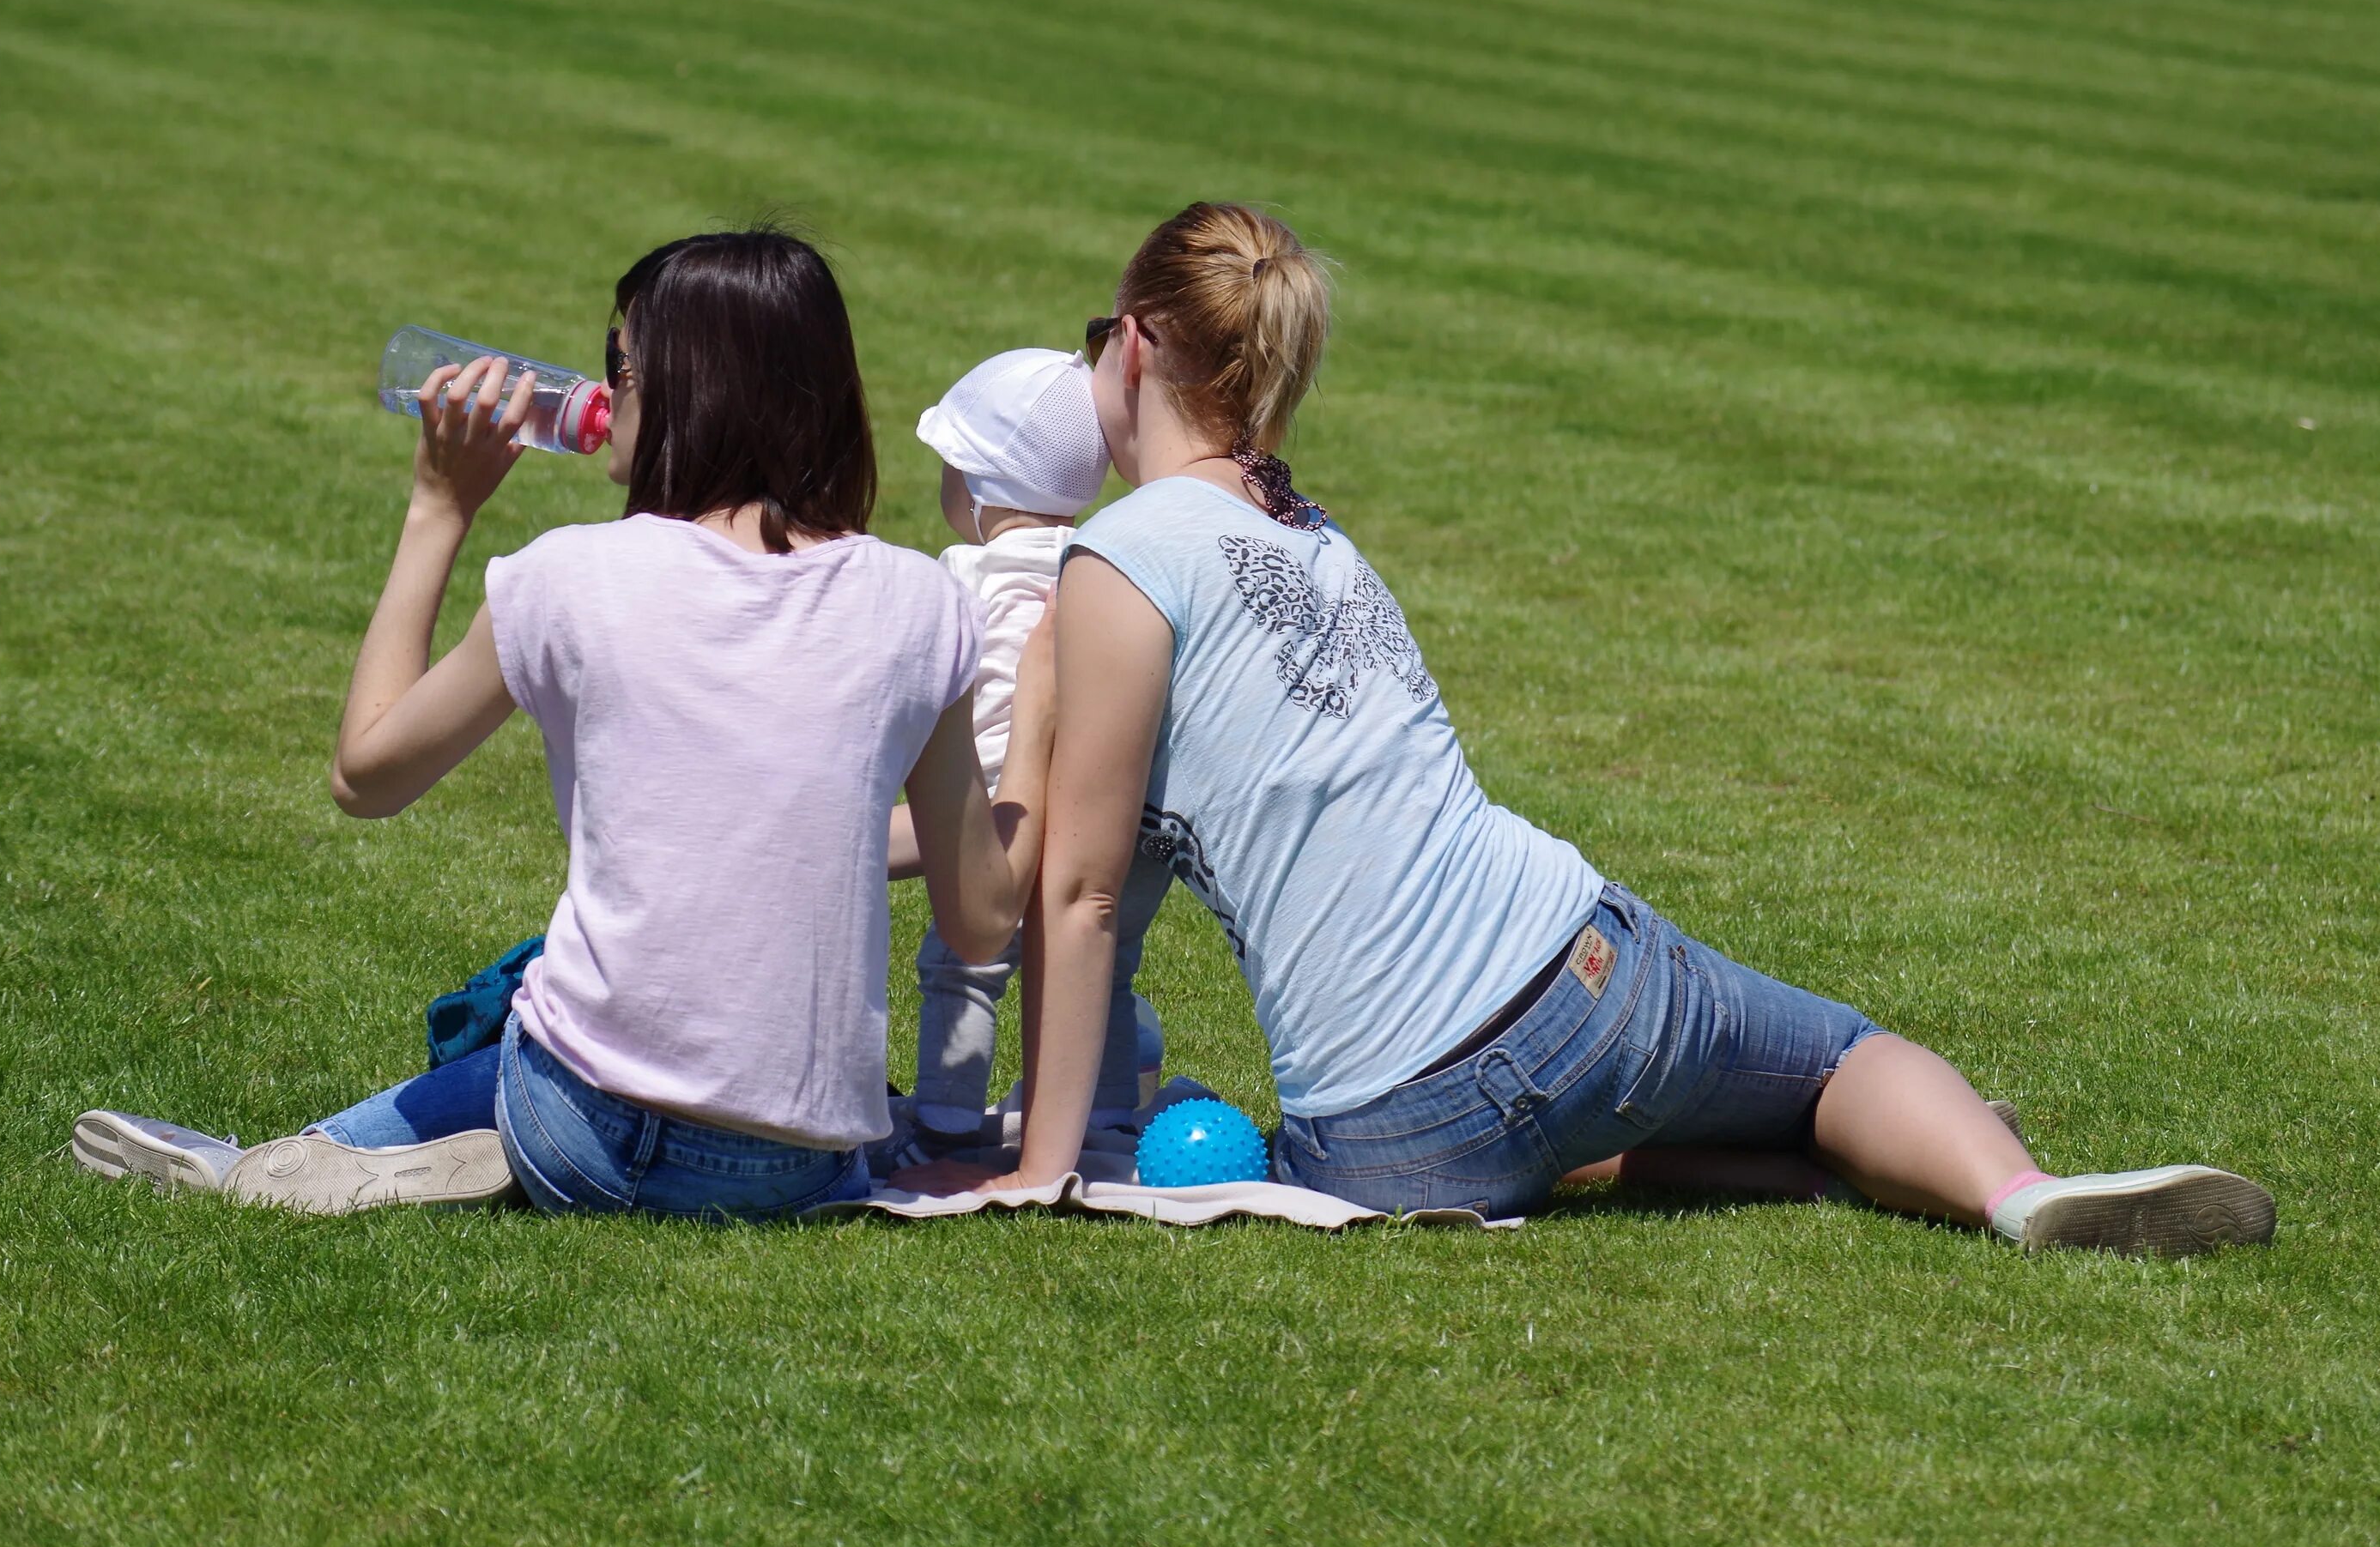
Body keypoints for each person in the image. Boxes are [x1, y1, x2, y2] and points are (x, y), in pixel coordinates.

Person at [908, 202, 2274, 1258]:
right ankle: (2008, 1187)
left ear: (1135, 340)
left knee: (1598, 1128)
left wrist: (1043, 1168)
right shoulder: (1320, 533)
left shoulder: (1115, 561)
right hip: (1590, 982)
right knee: (1841, 1059)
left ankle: (1812, 1157)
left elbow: (1078, 891)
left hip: (1398, 1137)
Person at [72, 229, 1051, 1220]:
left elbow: (366, 774)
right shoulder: (918, 602)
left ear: (676, 389)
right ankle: (453, 1139)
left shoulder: (571, 575)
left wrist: (439, 507)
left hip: (585, 1130)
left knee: (515, 998)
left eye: (618, 361)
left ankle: (312, 1156)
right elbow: (979, 917)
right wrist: (1041, 732)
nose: (601, 385)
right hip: (799, 1166)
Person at [880, 350, 1169, 1164]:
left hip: (1001, 808)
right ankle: (1108, 1112)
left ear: (976, 486)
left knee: (963, 956)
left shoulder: (963, 575)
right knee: (1101, 964)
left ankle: (943, 1114)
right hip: (1115, 810)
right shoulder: (1108, 563)